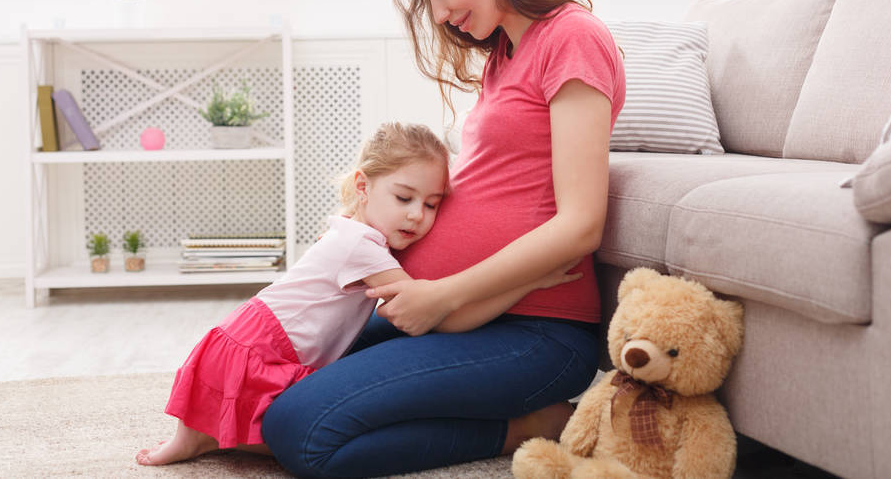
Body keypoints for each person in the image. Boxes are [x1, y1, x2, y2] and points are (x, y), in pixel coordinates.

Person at [262, 0, 626, 477]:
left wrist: (443, 294)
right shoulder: (506, 53)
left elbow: (581, 224)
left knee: (299, 431)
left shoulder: (572, 37)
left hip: (537, 330)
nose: (437, 12)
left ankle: (530, 424)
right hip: (458, 311)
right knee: (273, 373)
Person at [136, 121, 579, 466]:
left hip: (248, 332)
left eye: (431, 204)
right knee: (304, 434)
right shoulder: (363, 249)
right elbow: (443, 318)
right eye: (404, 198)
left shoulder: (353, 231)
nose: (418, 215)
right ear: (363, 186)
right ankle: (202, 438)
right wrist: (527, 281)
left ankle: (199, 438)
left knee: (278, 425)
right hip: (266, 344)